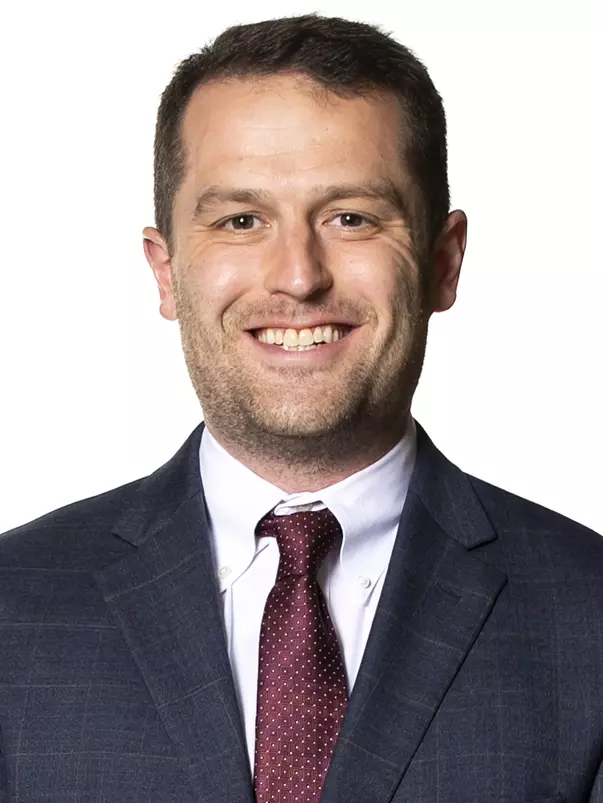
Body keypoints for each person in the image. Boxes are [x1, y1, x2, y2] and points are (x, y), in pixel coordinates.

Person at [0, 13, 601, 803]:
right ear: (166, 272)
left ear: (442, 262)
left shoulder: (587, 614)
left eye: (350, 217)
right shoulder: (14, 606)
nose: (297, 276)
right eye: (240, 220)